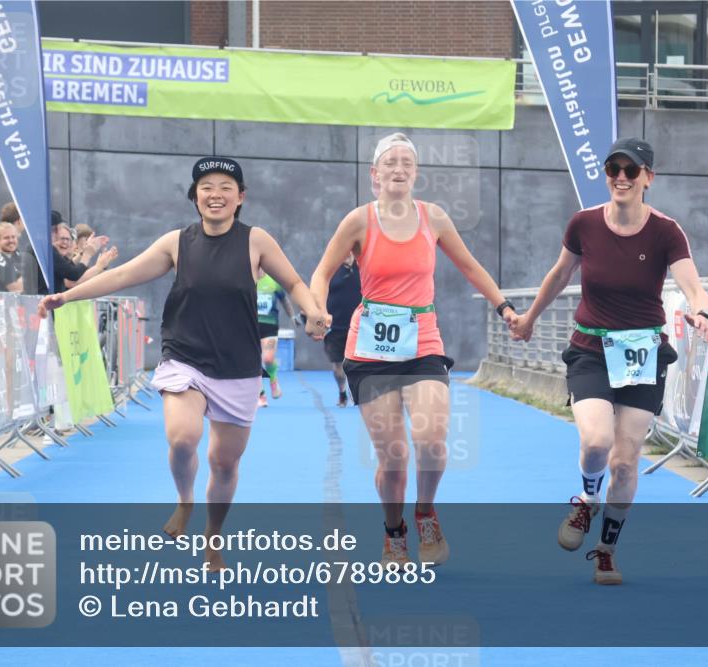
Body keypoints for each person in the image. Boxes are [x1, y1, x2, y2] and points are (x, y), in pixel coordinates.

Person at [38, 156, 330, 570]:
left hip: (237, 365)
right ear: (195, 198)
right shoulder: (176, 242)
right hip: (185, 355)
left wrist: (312, 311)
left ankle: (213, 537)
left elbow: (295, 283)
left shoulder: (256, 240)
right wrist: (66, 297)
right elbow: (123, 275)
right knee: (182, 438)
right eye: (206, 187)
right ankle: (184, 500)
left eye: (226, 187)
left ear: (240, 197)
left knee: (224, 464)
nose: (216, 194)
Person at [510, 138, 708, 585]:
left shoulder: (665, 231)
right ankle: (586, 500)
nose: (620, 177)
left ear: (648, 179)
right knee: (597, 442)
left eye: (630, 170)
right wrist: (528, 320)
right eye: (613, 168)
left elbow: (693, 285)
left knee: (625, 462)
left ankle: (606, 550)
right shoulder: (583, 224)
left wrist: (702, 310)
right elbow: (559, 274)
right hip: (591, 349)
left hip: (642, 353)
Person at [311, 133, 516, 568]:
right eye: (391, 162)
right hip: (371, 350)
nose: (399, 168)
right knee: (394, 456)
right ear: (375, 174)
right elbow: (323, 271)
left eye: (407, 161)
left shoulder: (435, 217)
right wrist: (317, 311)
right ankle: (394, 531)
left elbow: (470, 266)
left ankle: (424, 511)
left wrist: (505, 307)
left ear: (416, 172)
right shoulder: (358, 221)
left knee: (432, 441)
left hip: (422, 341)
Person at [324, 252, 361, 407]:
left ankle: (356, 393)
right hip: (335, 328)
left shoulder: (363, 268)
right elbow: (319, 295)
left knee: (357, 365)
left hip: (359, 327)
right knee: (338, 368)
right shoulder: (331, 269)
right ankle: (342, 393)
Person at [255, 270, 298, 407]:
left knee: (268, 359)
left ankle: (273, 380)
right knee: (253, 362)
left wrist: (292, 316)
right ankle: (260, 395)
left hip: (270, 326)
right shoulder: (246, 281)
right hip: (251, 326)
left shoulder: (272, 282)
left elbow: (284, 300)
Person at [0, 222, 23, 292]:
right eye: (6, 238)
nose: (11, 240)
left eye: (13, 237)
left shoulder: (15, 254)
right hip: (2, 302)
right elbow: (16, 289)